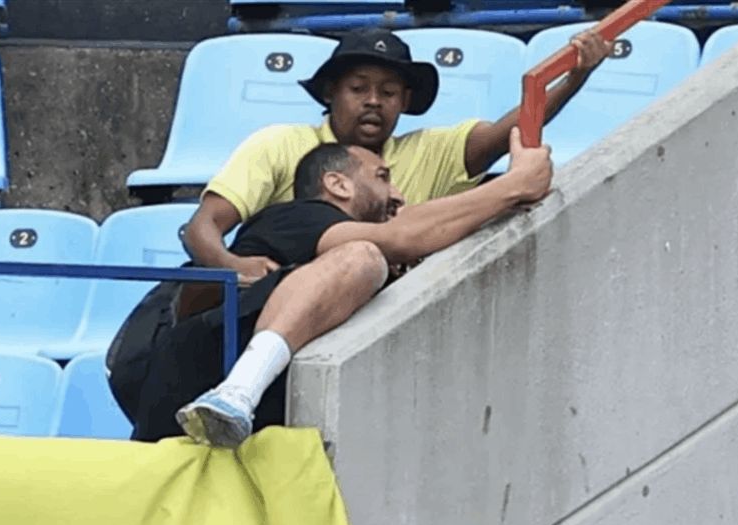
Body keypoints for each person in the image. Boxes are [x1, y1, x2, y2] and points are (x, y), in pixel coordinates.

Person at [113, 126, 551, 447]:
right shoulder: (296, 216)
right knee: (362, 258)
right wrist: (514, 186)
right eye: (383, 177)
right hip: (196, 388)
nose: (398, 194)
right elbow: (402, 236)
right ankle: (237, 392)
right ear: (337, 184)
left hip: (250, 428)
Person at [181, 26, 610, 286]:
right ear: (330, 92)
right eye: (358, 88)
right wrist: (232, 267)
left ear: (405, 101)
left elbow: (508, 131)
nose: (373, 101)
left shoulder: (429, 151)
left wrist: (575, 77)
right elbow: (202, 226)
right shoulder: (277, 143)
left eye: (388, 92)